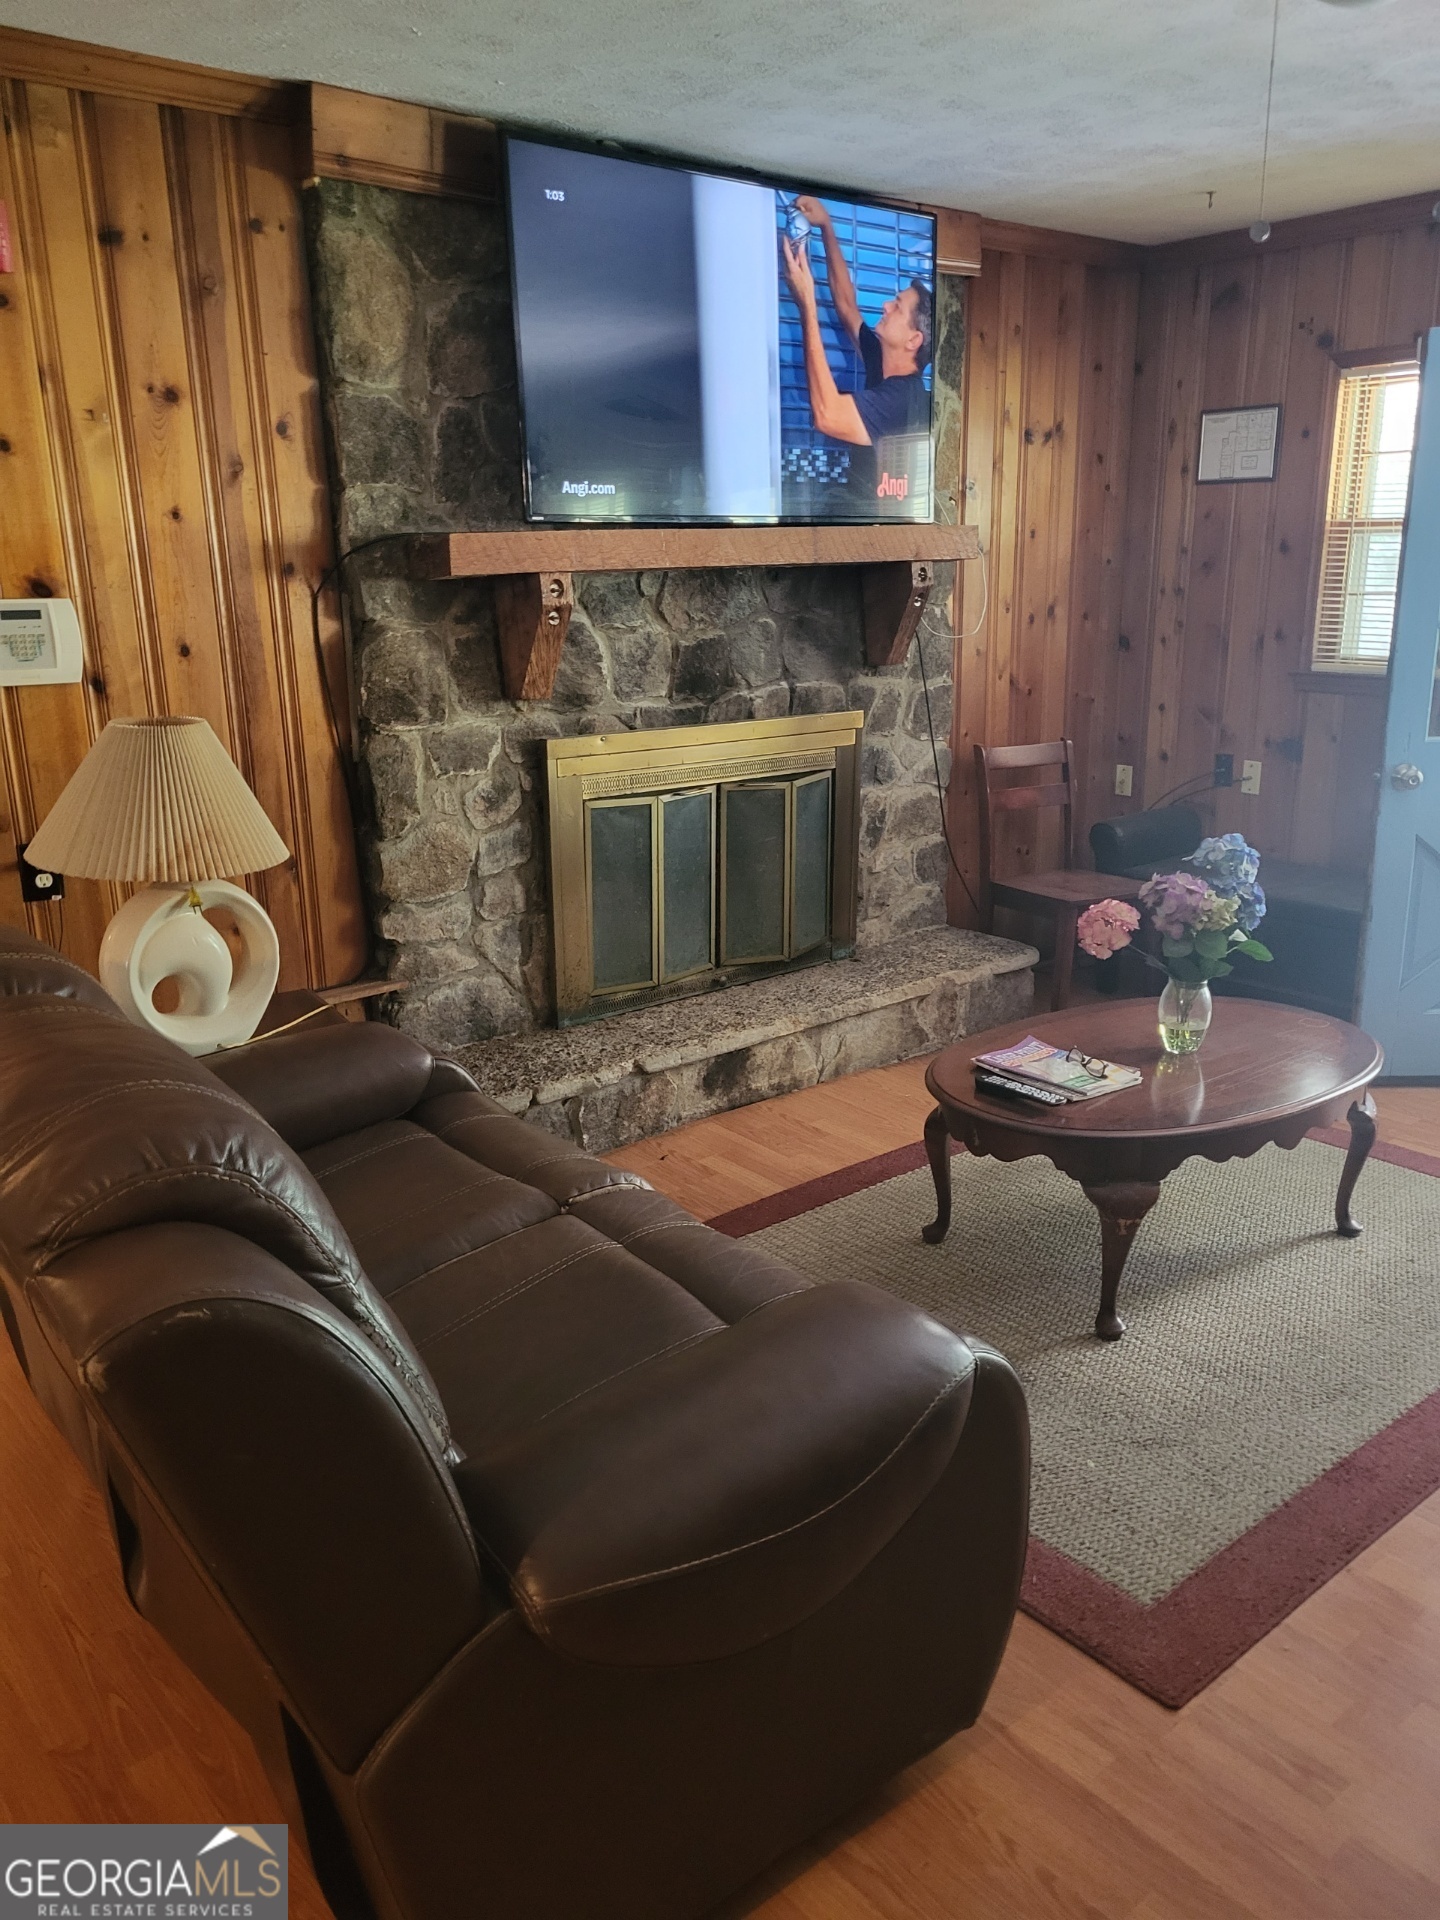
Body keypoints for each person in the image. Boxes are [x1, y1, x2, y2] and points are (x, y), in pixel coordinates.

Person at [780, 195, 932, 507]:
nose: (885, 305)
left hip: (869, 539)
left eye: (897, 306)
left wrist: (807, 303)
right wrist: (826, 227)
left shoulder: (900, 403)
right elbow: (848, 306)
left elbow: (826, 415)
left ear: (913, 340)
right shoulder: (889, 367)